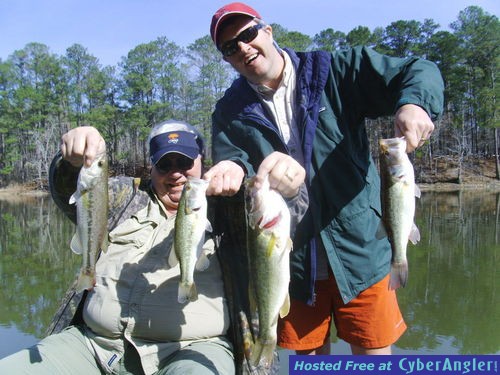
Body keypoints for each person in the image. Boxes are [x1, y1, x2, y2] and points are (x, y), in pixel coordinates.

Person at [204, 2, 444, 356]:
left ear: (267, 31)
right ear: (226, 59)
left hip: (361, 252)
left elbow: (416, 70)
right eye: (229, 47)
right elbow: (234, 166)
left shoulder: (334, 71)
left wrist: (415, 105)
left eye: (248, 34)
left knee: (374, 358)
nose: (243, 48)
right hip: (292, 263)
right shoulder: (229, 112)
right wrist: (240, 174)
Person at [0, 120, 235, 374]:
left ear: (202, 160)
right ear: (152, 167)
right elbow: (69, 189)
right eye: (165, 164)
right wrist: (71, 161)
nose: (176, 173)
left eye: (185, 162)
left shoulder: (228, 207)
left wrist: (242, 169)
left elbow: (271, 224)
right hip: (91, 346)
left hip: (190, 351)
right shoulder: (128, 195)